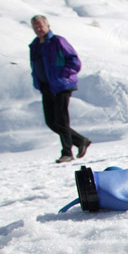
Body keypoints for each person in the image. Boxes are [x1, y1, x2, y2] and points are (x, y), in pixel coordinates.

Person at [29, 14, 89, 163]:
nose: (38, 29)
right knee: (51, 121)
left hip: (62, 85)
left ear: (47, 26)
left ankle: (67, 152)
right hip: (46, 86)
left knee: (61, 120)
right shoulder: (34, 45)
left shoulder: (57, 41)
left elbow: (74, 60)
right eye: (35, 26)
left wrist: (63, 75)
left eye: (40, 25)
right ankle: (81, 141)